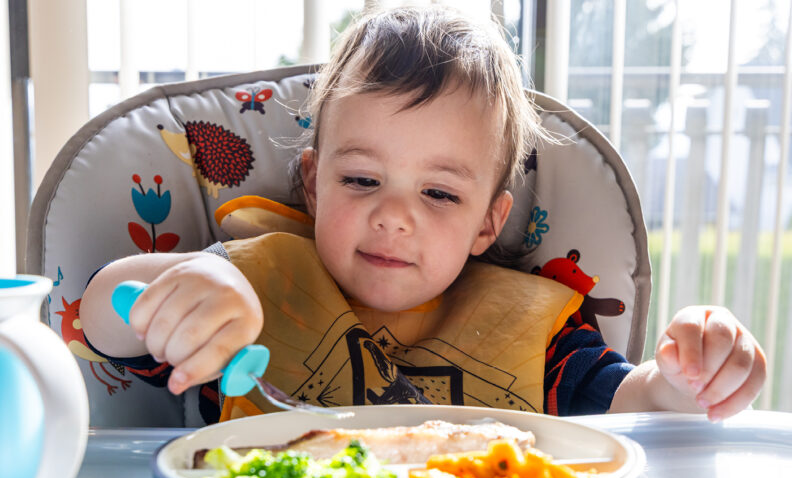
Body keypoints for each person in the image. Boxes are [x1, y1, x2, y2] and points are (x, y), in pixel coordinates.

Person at [80, 5, 765, 424]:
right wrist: (183, 289)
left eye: (439, 194)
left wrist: (687, 379)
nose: (394, 217)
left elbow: (629, 411)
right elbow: (105, 318)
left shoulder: (538, 335)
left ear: (489, 225)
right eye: (361, 179)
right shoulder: (247, 290)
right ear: (314, 186)